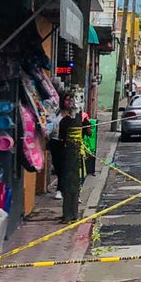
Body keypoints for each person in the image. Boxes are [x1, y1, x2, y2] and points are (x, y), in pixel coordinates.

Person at [53, 93, 85, 222]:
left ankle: (73, 199)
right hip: (62, 148)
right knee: (63, 172)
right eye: (68, 100)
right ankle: (65, 196)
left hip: (74, 151)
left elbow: (87, 131)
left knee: (75, 173)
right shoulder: (61, 118)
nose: (70, 103)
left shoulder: (79, 118)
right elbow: (60, 136)